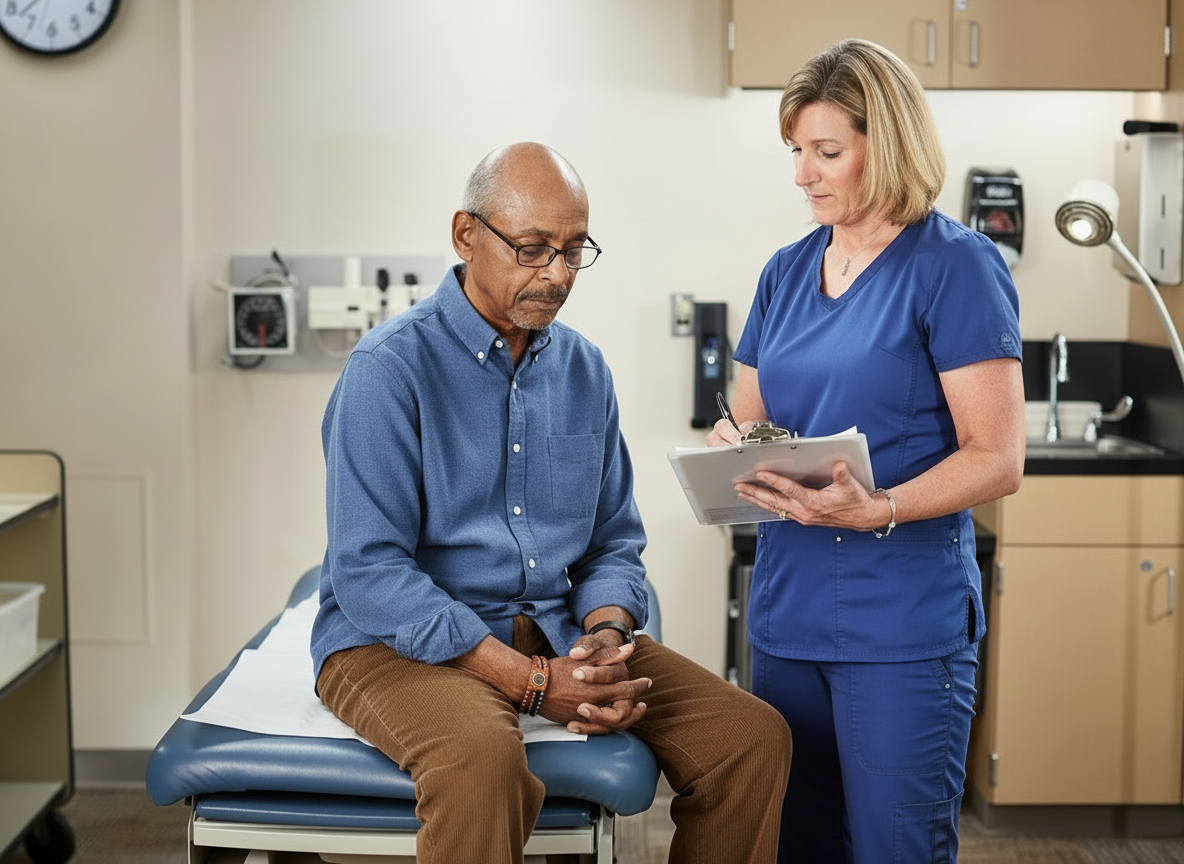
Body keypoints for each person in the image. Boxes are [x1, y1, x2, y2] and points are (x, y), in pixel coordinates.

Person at [311, 141, 792, 864]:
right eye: (534, 248)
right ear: (466, 234)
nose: (558, 274)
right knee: (479, 761)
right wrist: (534, 684)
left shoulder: (583, 370)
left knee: (750, 740)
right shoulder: (387, 370)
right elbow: (370, 572)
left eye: (574, 250)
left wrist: (604, 634)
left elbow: (611, 542)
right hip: (393, 644)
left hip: (551, 629)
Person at [706, 40, 1025, 863]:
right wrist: (732, 446)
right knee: (798, 844)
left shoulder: (954, 266)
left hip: (901, 631)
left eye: (826, 153)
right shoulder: (786, 270)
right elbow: (749, 421)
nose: (803, 174)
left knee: (895, 849)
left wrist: (879, 506)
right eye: (796, 153)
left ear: (885, 146)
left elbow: (998, 456)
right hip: (786, 618)